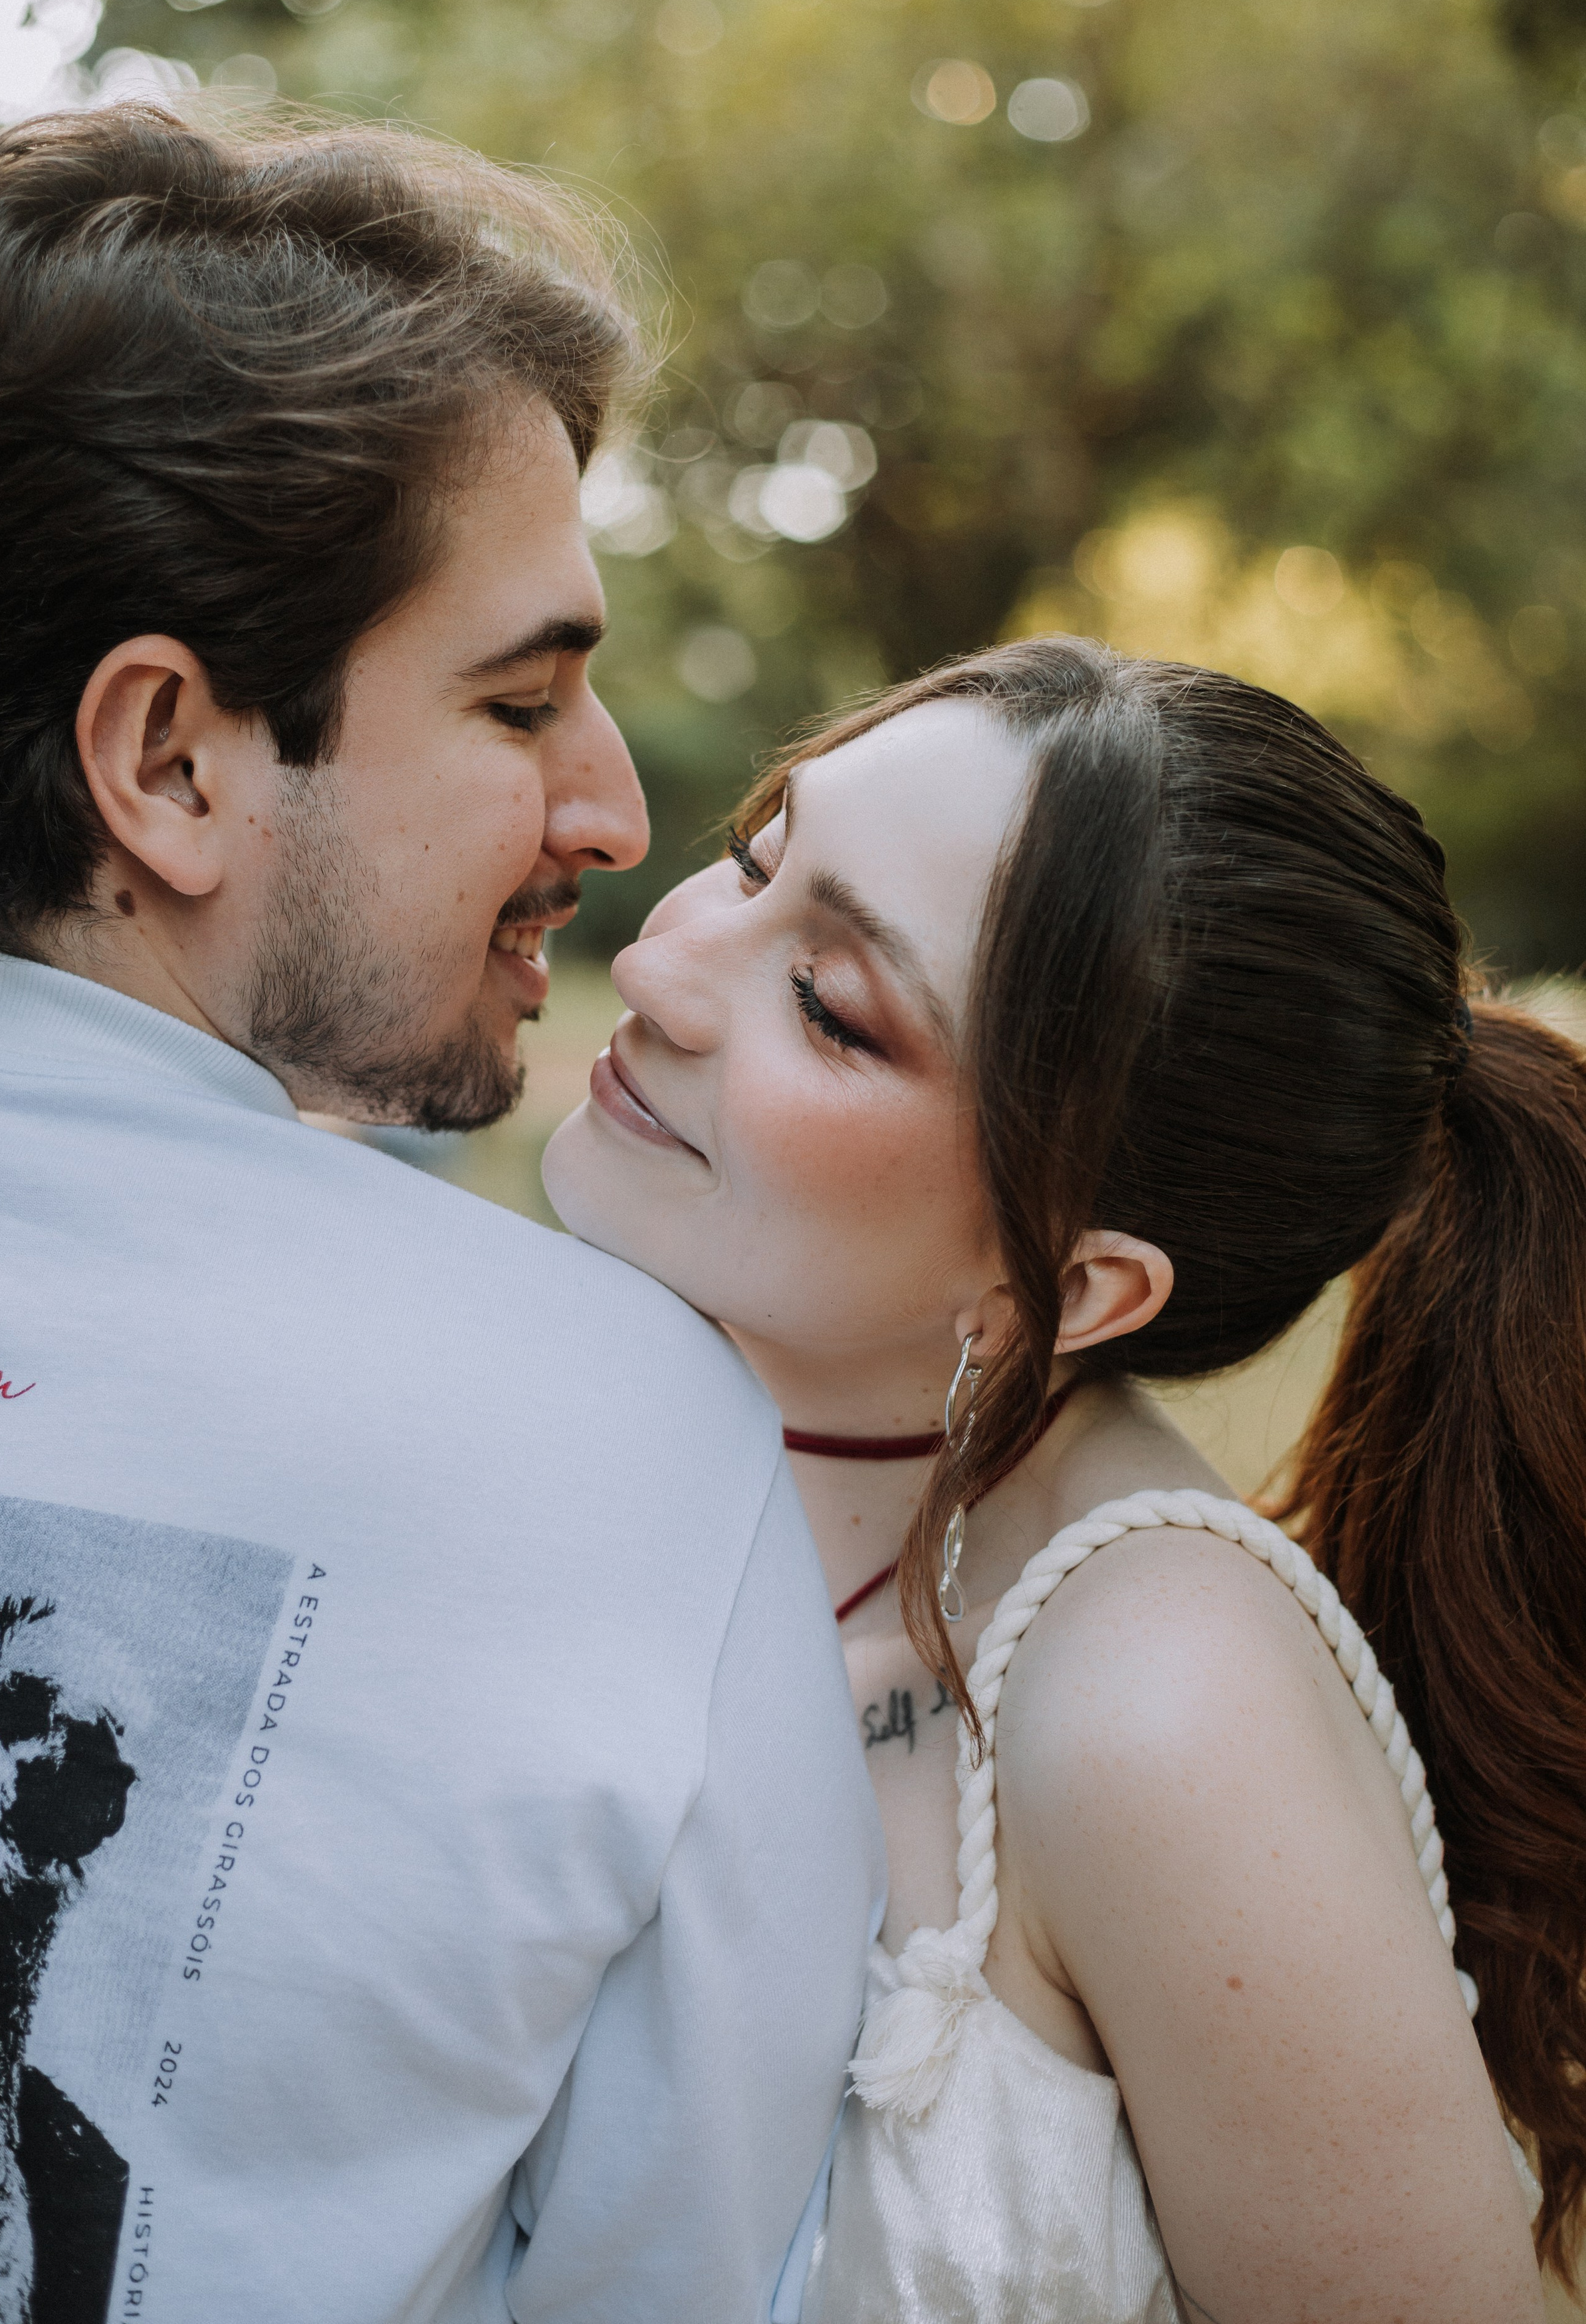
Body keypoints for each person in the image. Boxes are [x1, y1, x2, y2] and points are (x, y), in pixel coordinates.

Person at [0, 106, 883, 2324]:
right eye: (522, 699)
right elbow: (684, 2279)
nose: (614, 806)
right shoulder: (617, 1440)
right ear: (170, 759)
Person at [544, 635, 1586, 2323]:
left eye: (830, 1005)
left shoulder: (1156, 1706)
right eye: (750, 858)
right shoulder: (596, 1441)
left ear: (1077, 1288)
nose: (660, 963)